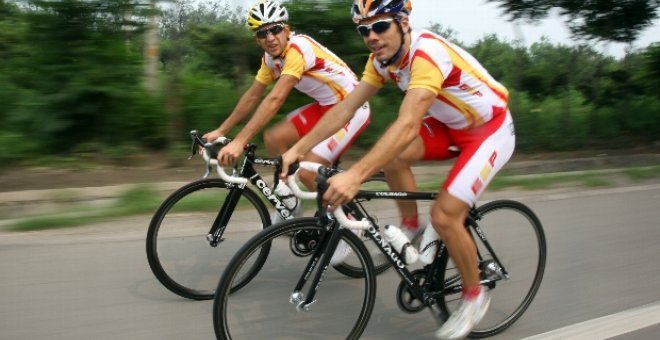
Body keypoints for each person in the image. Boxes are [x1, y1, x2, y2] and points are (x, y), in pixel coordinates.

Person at [280, 0, 515, 338]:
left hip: (488, 131)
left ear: (403, 24)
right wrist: (298, 149)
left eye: (380, 26)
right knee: (391, 157)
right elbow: (346, 107)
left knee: (446, 215)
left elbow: (407, 124)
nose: (371, 36)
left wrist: (355, 174)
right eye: (364, 30)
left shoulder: (427, 54)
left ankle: (474, 296)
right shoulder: (381, 61)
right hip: (449, 125)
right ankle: (410, 225)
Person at [203, 0, 371, 225]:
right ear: (257, 39)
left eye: (275, 29)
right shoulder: (270, 59)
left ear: (287, 30)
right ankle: (291, 201)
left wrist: (240, 141)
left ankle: (345, 223)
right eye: (263, 33)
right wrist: (222, 130)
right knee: (274, 137)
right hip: (325, 107)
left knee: (308, 171)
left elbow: (275, 98)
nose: (270, 37)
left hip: (352, 108)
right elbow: (253, 96)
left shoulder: (298, 48)